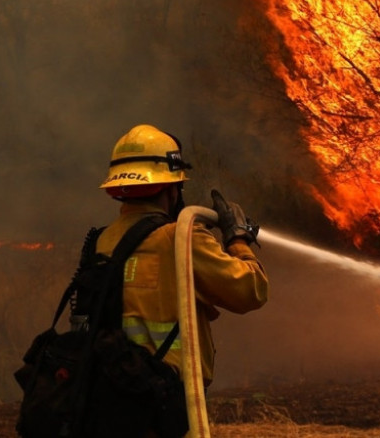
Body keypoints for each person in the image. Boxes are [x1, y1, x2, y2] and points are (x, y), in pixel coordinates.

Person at [97, 124, 269, 389]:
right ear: (172, 188)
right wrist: (237, 239)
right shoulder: (181, 238)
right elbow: (251, 290)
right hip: (165, 402)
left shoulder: (102, 241)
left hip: (110, 398)